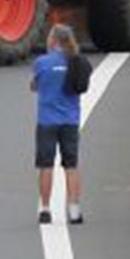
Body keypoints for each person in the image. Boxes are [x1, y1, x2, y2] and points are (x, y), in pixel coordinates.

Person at [29, 23, 87, 225]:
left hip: (47, 121)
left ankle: (45, 208)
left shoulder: (42, 63)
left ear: (53, 40)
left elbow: (34, 86)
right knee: (71, 166)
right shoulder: (76, 62)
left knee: (46, 165)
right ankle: (74, 210)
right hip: (70, 121)